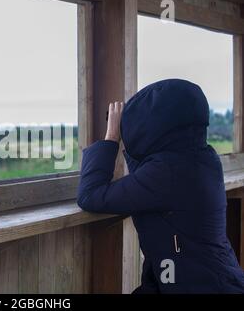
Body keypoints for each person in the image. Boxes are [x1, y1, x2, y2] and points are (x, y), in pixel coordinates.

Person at [77, 79, 244, 293]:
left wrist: (111, 138)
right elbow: (149, 176)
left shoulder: (167, 172)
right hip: (206, 279)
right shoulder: (202, 157)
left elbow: (91, 195)